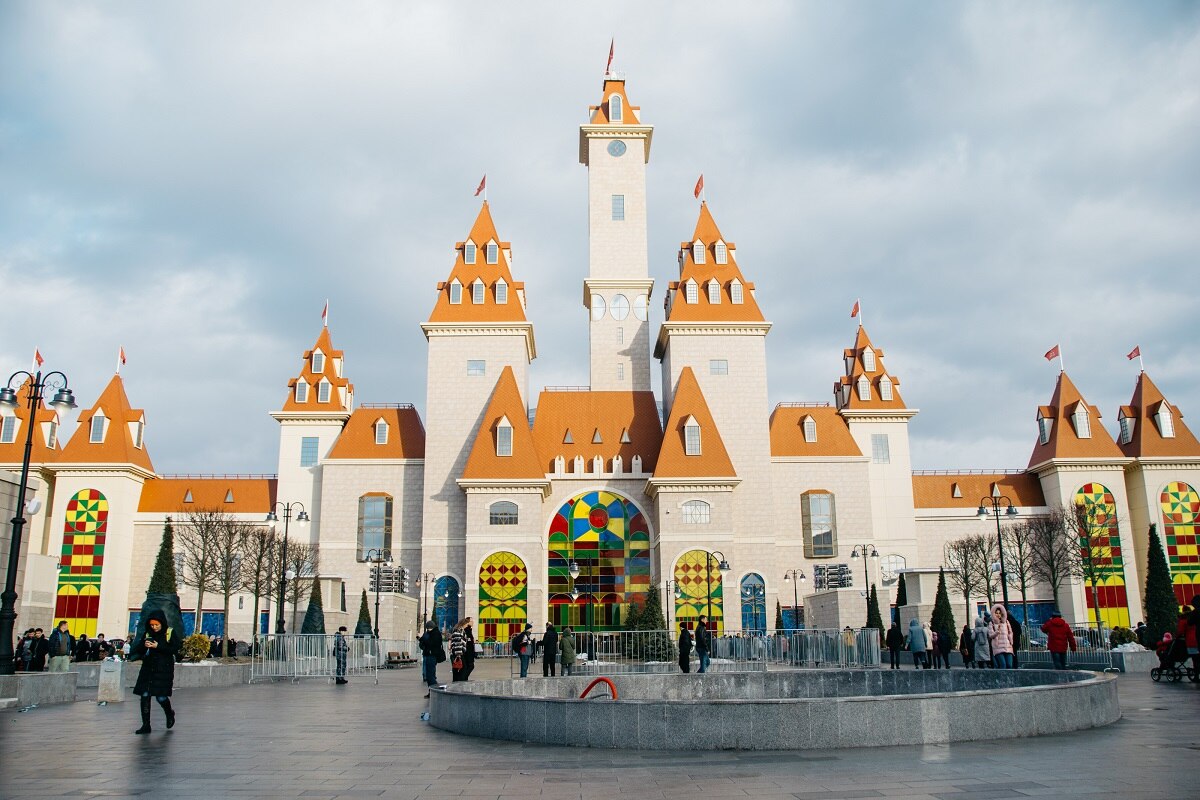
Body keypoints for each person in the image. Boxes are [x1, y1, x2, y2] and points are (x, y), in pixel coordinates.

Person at [131, 610, 181, 734]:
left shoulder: (169, 632)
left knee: (161, 697)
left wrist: (158, 646)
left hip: (163, 670)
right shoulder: (148, 633)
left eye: (157, 625)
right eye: (152, 625)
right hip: (148, 668)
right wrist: (144, 645)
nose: (154, 627)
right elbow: (138, 649)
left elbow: (175, 649)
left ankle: (169, 713)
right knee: (145, 696)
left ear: (162, 623)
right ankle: (146, 725)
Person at [418, 620, 443, 697]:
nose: (428, 630)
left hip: (431, 655)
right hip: (430, 655)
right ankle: (432, 691)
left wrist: (423, 639)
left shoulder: (435, 634)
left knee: (430, 675)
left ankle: (435, 690)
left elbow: (430, 643)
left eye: (428, 628)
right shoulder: (433, 633)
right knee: (430, 674)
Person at [988, 604, 1014, 669]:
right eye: (996, 613)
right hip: (998, 647)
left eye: (999, 613)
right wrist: (996, 632)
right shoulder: (992, 623)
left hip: (1007, 646)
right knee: (1003, 665)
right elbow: (990, 635)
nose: (998, 615)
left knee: (1009, 665)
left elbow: (1010, 632)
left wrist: (1011, 639)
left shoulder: (1006, 622)